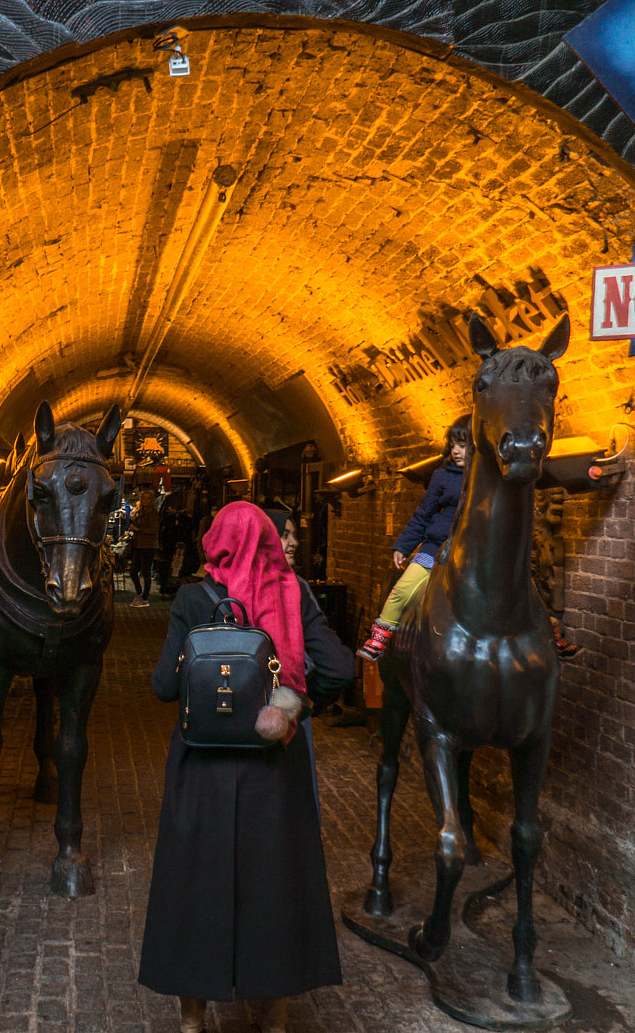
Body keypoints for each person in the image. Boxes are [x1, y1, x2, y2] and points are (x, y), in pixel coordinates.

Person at [139, 502, 355, 1033]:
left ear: (217, 543)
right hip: (273, 768)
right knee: (275, 883)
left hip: (201, 770)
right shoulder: (295, 591)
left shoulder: (194, 598)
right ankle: (273, 1017)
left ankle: (193, 1018)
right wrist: (294, 705)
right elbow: (340, 668)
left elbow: (165, 686)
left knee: (195, 882)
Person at [358, 414, 472, 660]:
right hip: (436, 548)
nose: (456, 451)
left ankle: (547, 634)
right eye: (453, 445)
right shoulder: (442, 475)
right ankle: (380, 637)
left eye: (462, 445)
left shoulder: (488, 479)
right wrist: (404, 546)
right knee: (402, 590)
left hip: (474, 551)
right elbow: (423, 514)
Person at [127, 488, 160, 607]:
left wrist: (138, 529)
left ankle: (145, 597)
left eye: (148, 498)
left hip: (149, 545)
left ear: (151, 500)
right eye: (143, 498)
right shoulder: (141, 512)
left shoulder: (153, 514)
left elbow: (154, 530)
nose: (145, 501)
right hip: (139, 545)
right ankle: (139, 592)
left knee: (145, 571)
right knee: (133, 571)